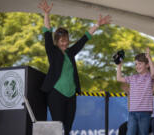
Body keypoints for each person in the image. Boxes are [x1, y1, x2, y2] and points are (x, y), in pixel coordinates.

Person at [38, 1, 111, 135]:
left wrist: (97, 25)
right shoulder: (52, 51)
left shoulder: (70, 53)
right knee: (58, 128)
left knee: (68, 128)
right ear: (57, 41)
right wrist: (46, 14)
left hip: (71, 95)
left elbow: (84, 39)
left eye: (66, 40)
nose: (65, 43)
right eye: (62, 41)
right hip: (56, 94)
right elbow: (47, 33)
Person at [117, 48, 154, 135]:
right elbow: (119, 78)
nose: (137, 66)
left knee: (143, 133)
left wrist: (149, 58)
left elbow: (153, 73)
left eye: (140, 63)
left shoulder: (149, 77)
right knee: (130, 133)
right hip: (132, 113)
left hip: (145, 112)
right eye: (136, 64)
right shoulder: (133, 77)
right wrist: (119, 65)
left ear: (147, 65)